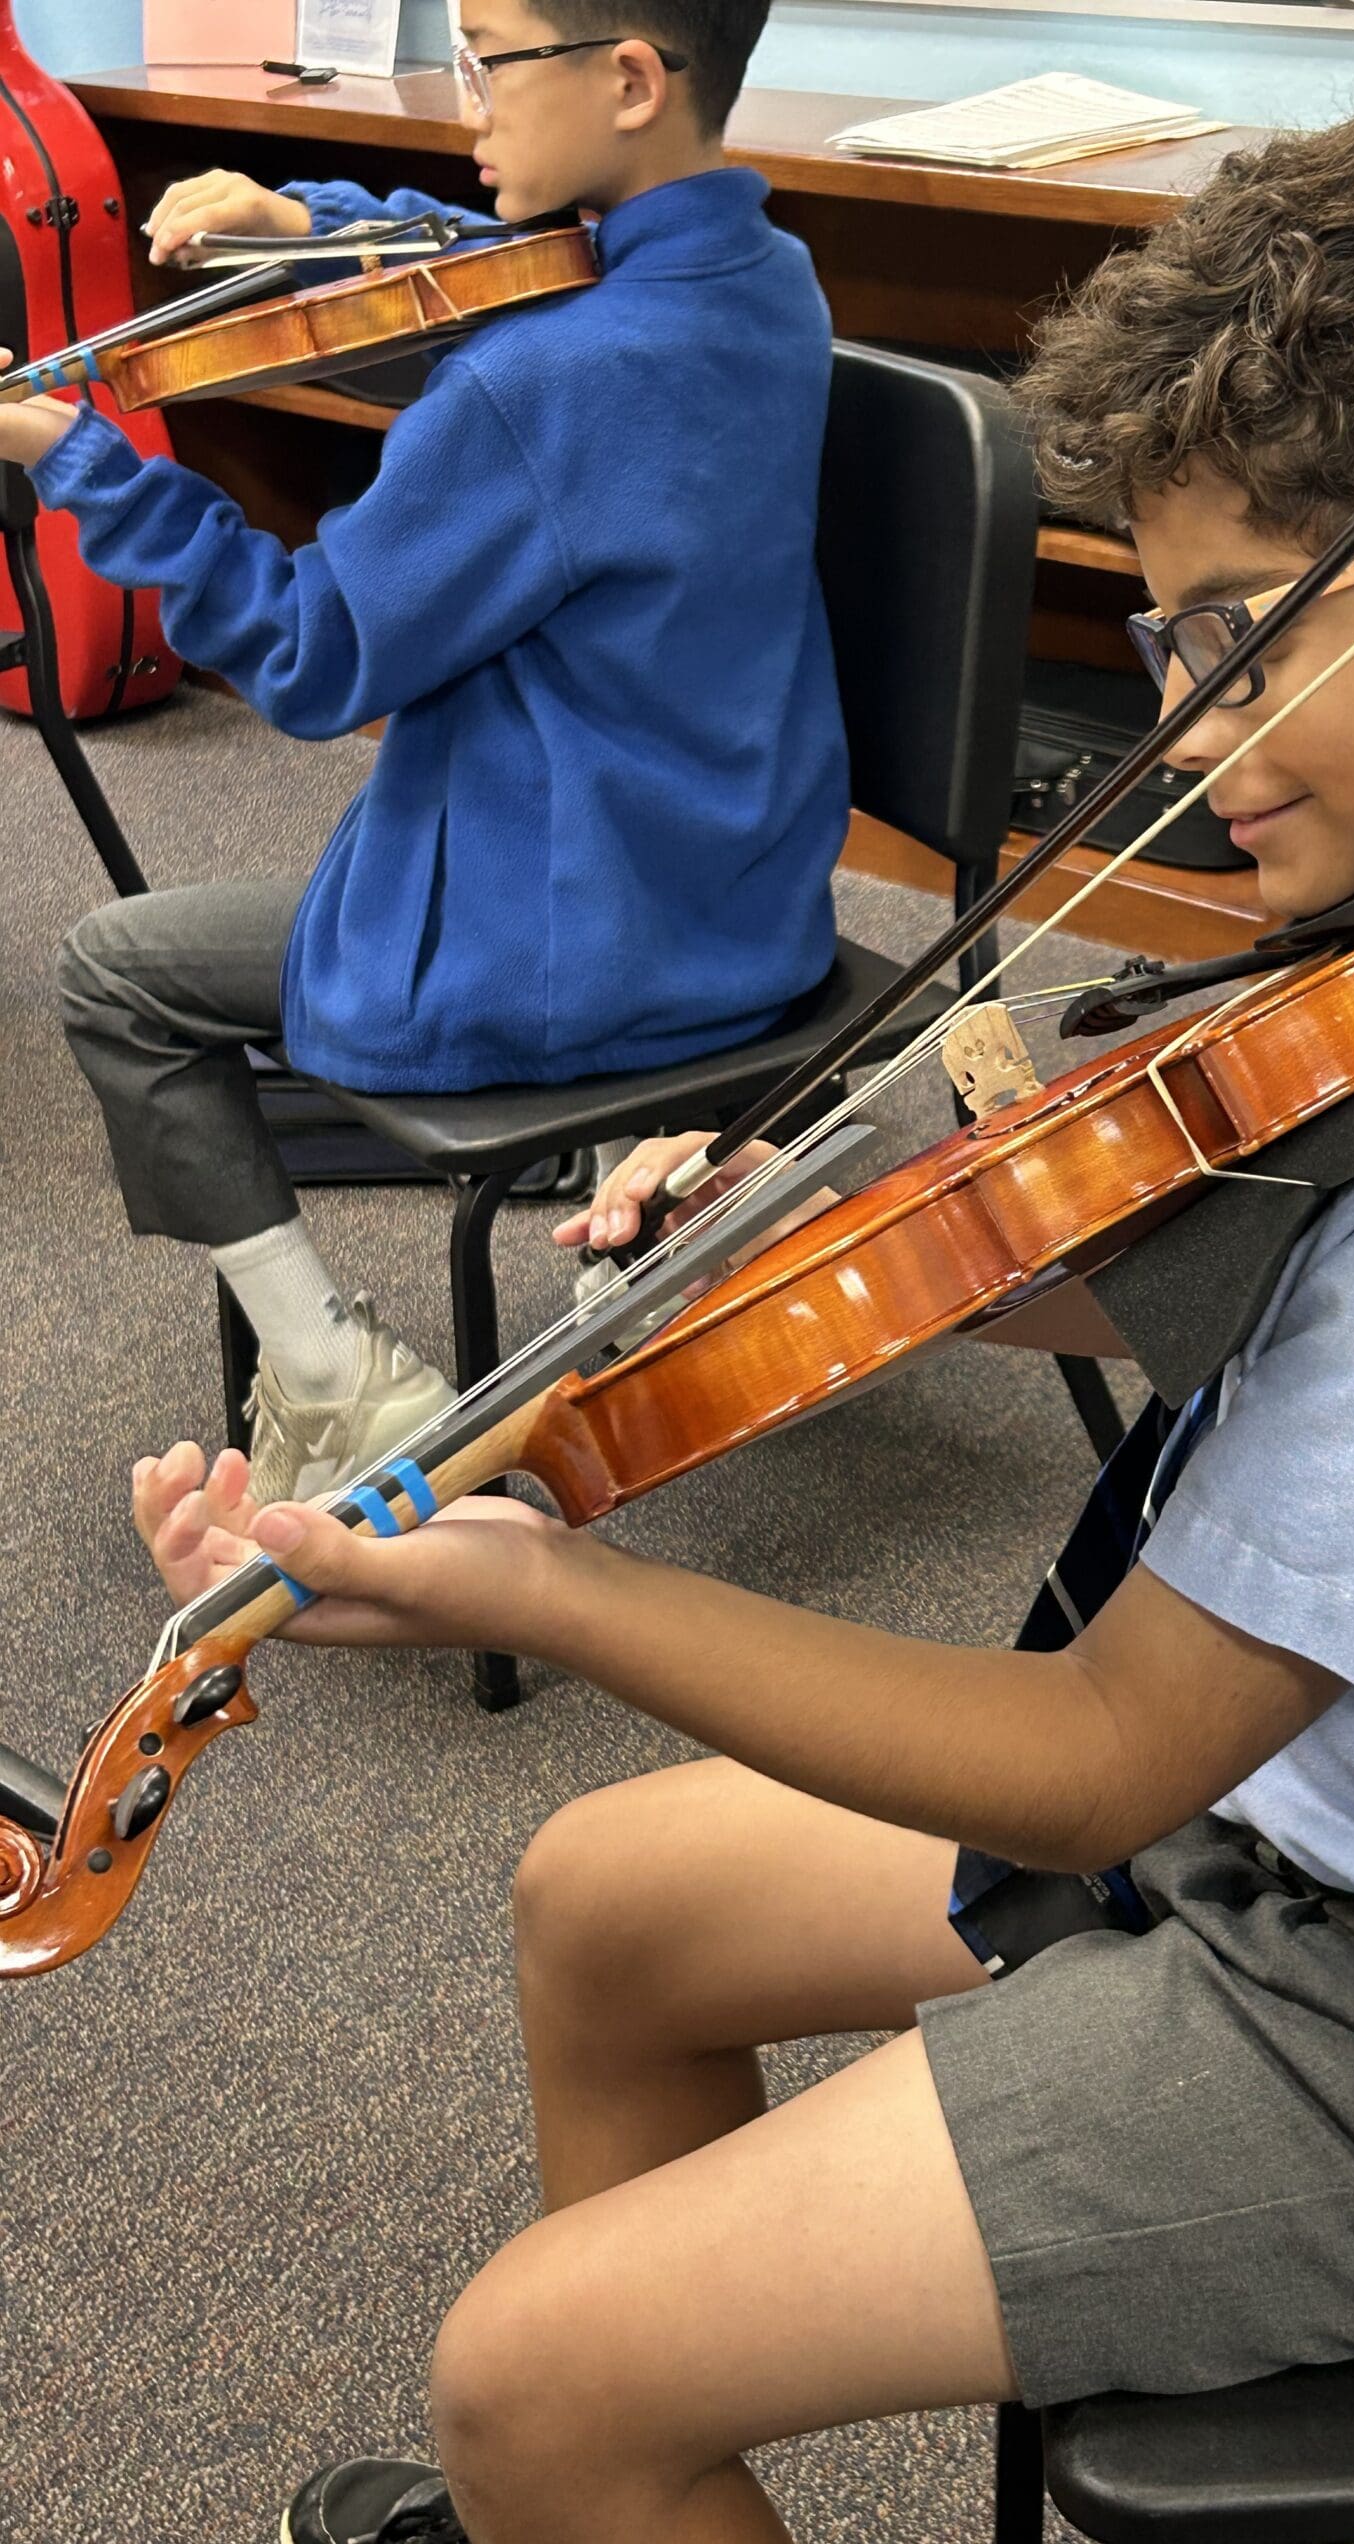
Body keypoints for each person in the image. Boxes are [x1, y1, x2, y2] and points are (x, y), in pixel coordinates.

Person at [134, 105, 1354, 2544]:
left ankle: (577, 2479)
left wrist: (552, 1582)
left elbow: (1100, 1755)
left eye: (1240, 635)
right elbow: (1303, 1254)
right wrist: (843, 1228)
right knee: (604, 1903)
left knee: (528, 2373)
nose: (1177, 723)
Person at [0, 0, 846, 1505]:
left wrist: (77, 460)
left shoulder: (544, 387)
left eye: (489, 60)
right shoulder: (769, 280)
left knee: (115, 970)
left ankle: (340, 1382)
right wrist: (315, 216)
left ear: (631, 79)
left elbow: (314, 656)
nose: (469, 106)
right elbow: (517, 256)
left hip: (582, 952)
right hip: (748, 906)